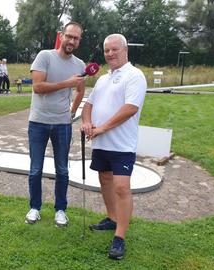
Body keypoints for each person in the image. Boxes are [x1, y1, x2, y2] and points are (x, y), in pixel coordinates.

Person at [81, 33, 147, 260]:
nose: (109, 54)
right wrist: (86, 122)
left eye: (114, 49)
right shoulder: (102, 78)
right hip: (101, 143)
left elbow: (130, 108)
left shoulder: (134, 75)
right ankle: (112, 218)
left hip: (122, 145)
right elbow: (88, 104)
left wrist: (102, 128)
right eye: (106, 50)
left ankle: (120, 238)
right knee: (105, 180)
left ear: (125, 50)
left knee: (121, 187)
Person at [25, 22, 86, 227]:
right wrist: (66, 84)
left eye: (76, 38)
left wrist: (72, 111)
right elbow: (37, 87)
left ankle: (60, 209)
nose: (71, 41)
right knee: (35, 169)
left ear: (79, 41)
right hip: (38, 122)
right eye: (69, 36)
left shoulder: (80, 65)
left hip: (62, 124)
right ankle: (35, 208)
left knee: (62, 170)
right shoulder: (45, 56)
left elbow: (81, 91)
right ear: (61, 36)